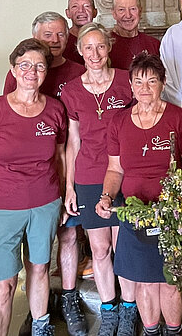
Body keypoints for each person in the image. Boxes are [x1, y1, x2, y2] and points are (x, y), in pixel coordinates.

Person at [96, 53, 182, 336]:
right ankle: (152, 331)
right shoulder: (118, 121)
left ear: (162, 84)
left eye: (152, 81)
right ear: (130, 85)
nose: (144, 88)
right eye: (138, 81)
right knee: (144, 282)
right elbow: (115, 170)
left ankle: (174, 331)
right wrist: (106, 197)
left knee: (170, 280)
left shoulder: (177, 118)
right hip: (136, 215)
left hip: (172, 216)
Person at [0, 38, 67, 336]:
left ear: (46, 72)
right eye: (24, 65)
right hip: (0, 209)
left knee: (39, 270)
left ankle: (40, 327)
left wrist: (60, 199)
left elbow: (60, 158)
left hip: (44, 204)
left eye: (38, 66)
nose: (31, 72)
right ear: (13, 70)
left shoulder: (55, 110)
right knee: (4, 286)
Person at [60, 23, 137, 336]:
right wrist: (69, 187)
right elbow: (73, 141)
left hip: (125, 174)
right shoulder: (72, 91)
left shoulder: (125, 81)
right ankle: (109, 308)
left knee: (125, 246)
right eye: (88, 48)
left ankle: (130, 309)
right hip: (90, 177)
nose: (95, 54)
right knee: (100, 249)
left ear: (109, 48)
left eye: (100, 46)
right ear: (79, 51)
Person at [3, 11, 86, 99]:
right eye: (48, 35)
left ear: (67, 38)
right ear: (35, 37)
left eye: (60, 35)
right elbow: (7, 107)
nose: (55, 40)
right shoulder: (21, 72)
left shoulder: (80, 73)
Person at [109, 0, 161, 70]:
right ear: (114, 14)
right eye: (121, 10)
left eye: (133, 9)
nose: (128, 15)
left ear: (140, 11)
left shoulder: (154, 44)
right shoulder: (106, 44)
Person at [64, 0, 98, 65]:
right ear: (68, 13)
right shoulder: (62, 41)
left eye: (86, 6)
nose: (81, 10)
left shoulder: (104, 39)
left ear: (95, 12)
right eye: (75, 6)